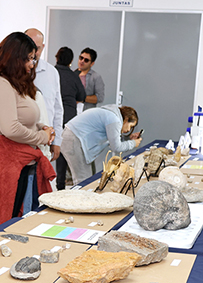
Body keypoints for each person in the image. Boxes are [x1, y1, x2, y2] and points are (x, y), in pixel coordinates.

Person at [0, 32, 55, 234]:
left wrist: (41, 127)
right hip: (2, 164)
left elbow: (19, 119)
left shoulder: (12, 82)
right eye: (29, 58)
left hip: (14, 162)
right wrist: (42, 137)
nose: (32, 64)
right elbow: (10, 128)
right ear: (15, 57)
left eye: (33, 58)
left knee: (11, 220)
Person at [61, 105, 141, 185]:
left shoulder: (112, 114)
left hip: (73, 137)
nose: (128, 130)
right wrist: (133, 143)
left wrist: (128, 139)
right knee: (83, 181)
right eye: (131, 126)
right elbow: (116, 147)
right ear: (126, 119)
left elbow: (112, 138)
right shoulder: (114, 120)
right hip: (74, 139)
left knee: (88, 180)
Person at [25, 28, 63, 165]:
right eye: (30, 46)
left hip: (45, 142)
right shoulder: (12, 73)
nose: (34, 52)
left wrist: (57, 141)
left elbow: (57, 109)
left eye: (38, 48)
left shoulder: (51, 73)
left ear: (43, 47)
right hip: (20, 141)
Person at [54, 46, 86, 189]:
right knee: (63, 150)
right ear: (71, 61)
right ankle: (61, 185)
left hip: (52, 115)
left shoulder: (51, 73)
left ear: (57, 58)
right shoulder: (73, 76)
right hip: (69, 117)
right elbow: (82, 96)